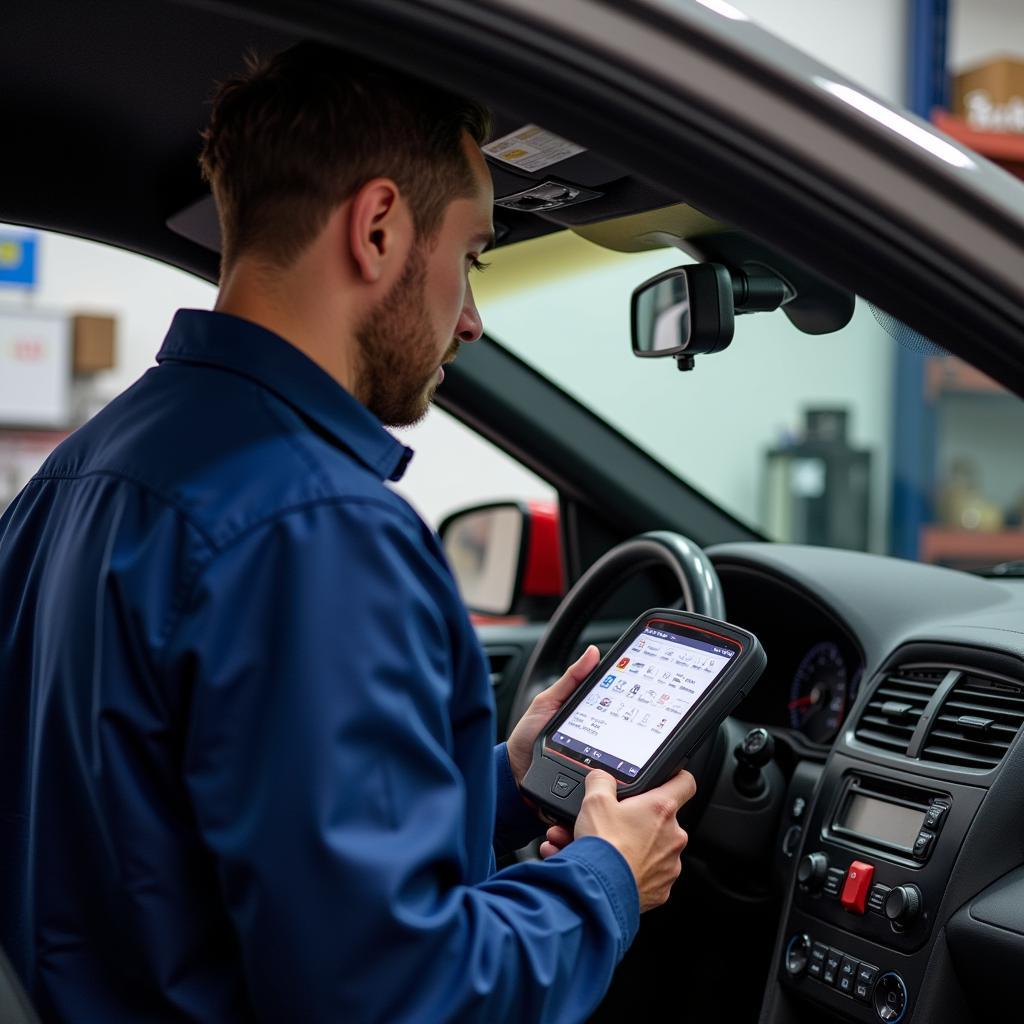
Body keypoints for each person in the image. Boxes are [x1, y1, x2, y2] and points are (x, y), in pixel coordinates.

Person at [0, 42, 696, 1023]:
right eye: (470, 257)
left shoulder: (82, 472)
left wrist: (502, 778)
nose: (471, 322)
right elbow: (398, 994)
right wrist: (605, 876)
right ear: (376, 228)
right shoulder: (318, 530)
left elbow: (184, 835)